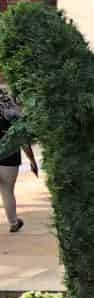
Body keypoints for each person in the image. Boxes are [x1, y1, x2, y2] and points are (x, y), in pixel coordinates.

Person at [0, 74, 39, 234]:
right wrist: (32, 160)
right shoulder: (13, 101)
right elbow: (22, 135)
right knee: (7, 190)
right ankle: (13, 222)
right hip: (9, 152)